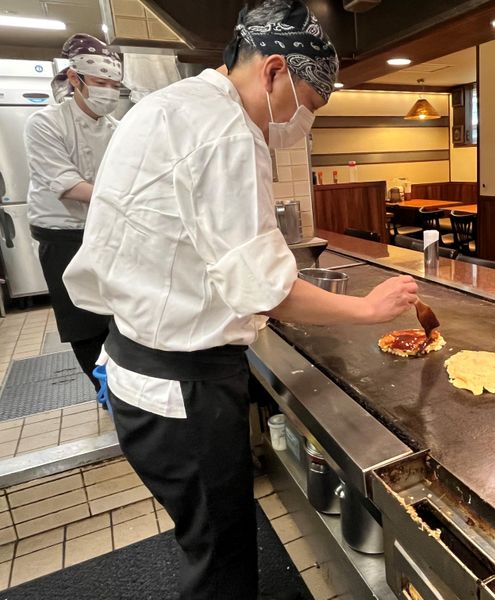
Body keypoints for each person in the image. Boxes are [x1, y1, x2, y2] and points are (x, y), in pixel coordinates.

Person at [63, 2, 418, 599]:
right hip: (183, 390)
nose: (303, 121)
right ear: (275, 71)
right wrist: (368, 310)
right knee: (223, 564)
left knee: (206, 542)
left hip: (136, 368)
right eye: (311, 105)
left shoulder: (168, 106)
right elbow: (267, 289)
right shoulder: (228, 129)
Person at [24, 34, 123, 391]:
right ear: (74, 79)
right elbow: (67, 185)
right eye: (100, 83)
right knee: (84, 321)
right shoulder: (45, 123)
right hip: (63, 235)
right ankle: (104, 391)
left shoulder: (115, 129)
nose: (108, 92)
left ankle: (123, 387)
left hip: (104, 228)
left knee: (116, 313)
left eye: (114, 85)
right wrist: (127, 201)